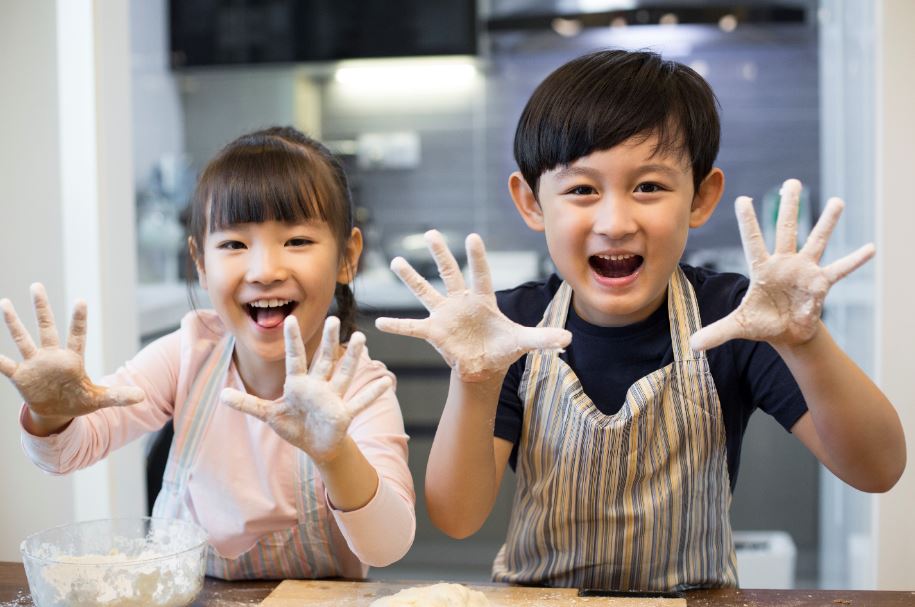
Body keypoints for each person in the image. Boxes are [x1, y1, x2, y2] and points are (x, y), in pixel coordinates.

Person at [374, 50, 906, 591]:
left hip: (694, 601)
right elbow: (456, 517)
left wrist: (806, 343)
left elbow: (878, 469)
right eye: (582, 189)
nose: (615, 222)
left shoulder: (736, 317)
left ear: (701, 197)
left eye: (649, 186)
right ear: (532, 202)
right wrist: (474, 382)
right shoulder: (510, 327)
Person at [1, 126, 416, 580]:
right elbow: (64, 455)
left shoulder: (360, 389)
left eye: (296, 241)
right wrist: (49, 415)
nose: (265, 270)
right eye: (234, 244)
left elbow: (387, 546)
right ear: (200, 262)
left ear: (347, 256)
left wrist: (335, 454)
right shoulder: (187, 355)